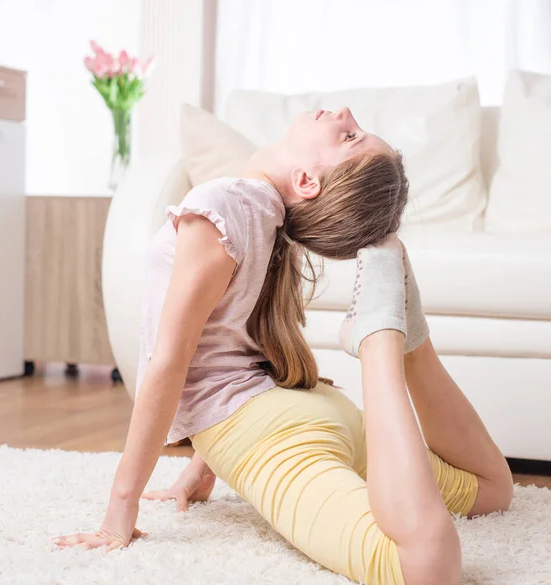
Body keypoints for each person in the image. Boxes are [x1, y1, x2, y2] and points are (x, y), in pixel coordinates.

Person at [53, 107, 514, 585]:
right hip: (305, 408)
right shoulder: (265, 218)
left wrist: (118, 515)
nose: (344, 113)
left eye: (350, 135)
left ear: (306, 181)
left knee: (426, 569)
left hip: (274, 435)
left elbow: (170, 364)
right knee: (493, 489)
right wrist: (203, 468)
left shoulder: (221, 205)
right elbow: (231, 348)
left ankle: (381, 337)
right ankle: (404, 322)